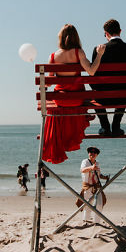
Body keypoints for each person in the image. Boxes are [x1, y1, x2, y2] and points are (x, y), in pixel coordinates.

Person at [41, 24, 105, 164]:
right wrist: (99, 55)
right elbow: (92, 71)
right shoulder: (79, 52)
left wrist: (44, 86)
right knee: (80, 103)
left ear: (61, 38)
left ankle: (62, 137)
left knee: (58, 105)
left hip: (61, 100)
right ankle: (71, 136)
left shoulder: (53, 56)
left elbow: (48, 83)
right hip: (77, 100)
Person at [91, 19, 126, 136]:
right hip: (125, 97)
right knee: (125, 89)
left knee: (95, 90)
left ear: (106, 33)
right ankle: (116, 126)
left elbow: (93, 77)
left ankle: (105, 126)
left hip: (102, 97)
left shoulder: (98, 50)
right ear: (120, 31)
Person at [80, 146, 109, 224]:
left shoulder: (97, 163)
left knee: (99, 204)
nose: (92, 154)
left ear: (97, 154)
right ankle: (86, 221)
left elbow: (98, 175)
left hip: (96, 187)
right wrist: (91, 167)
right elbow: (82, 170)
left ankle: (97, 222)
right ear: (88, 153)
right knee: (87, 206)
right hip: (88, 186)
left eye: (94, 152)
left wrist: (104, 177)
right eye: (91, 152)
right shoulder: (85, 161)